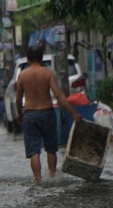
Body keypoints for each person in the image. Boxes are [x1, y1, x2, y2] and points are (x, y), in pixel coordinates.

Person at [16, 45, 83, 184]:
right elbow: (58, 95)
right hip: (47, 113)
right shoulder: (48, 73)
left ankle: (39, 181)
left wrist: (19, 113)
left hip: (30, 115)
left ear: (28, 59)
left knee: (34, 151)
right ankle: (52, 177)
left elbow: (18, 99)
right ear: (41, 59)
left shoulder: (22, 76)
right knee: (51, 148)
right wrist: (74, 113)